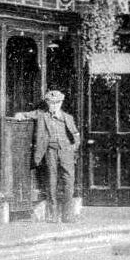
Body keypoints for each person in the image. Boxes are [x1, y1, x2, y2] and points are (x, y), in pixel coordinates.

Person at [13, 90, 80, 224]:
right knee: (51, 182)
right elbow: (27, 115)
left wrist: (72, 149)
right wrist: (20, 115)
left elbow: (76, 136)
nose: (54, 106)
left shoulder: (67, 117)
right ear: (47, 103)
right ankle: (53, 215)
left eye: (57, 103)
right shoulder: (42, 115)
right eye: (51, 103)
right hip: (50, 152)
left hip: (66, 152)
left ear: (61, 103)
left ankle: (67, 215)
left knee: (69, 182)